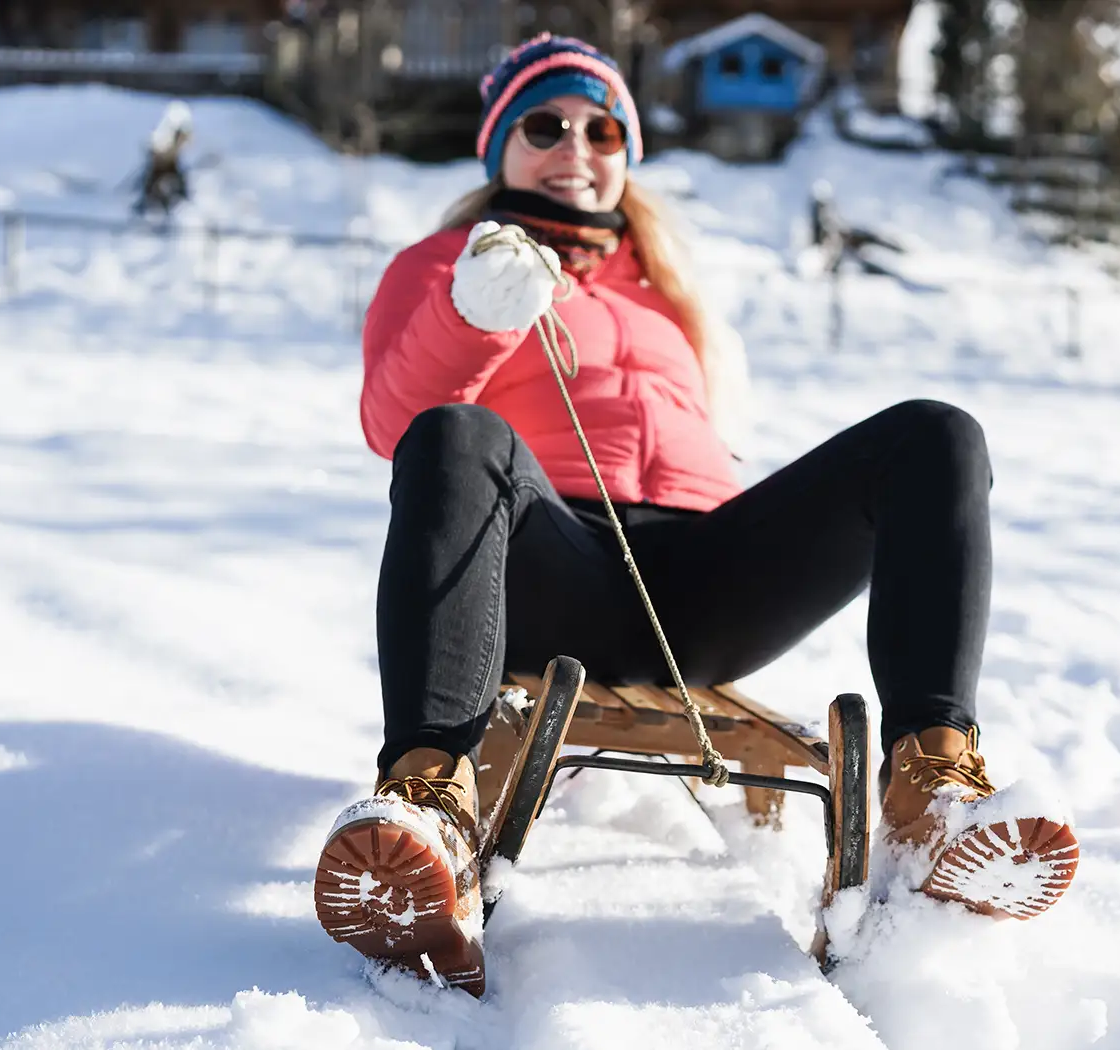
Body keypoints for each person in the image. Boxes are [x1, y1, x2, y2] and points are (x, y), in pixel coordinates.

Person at [313, 33, 1079, 996]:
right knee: (457, 433)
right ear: (498, 143)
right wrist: (476, 312)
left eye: (601, 130)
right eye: (544, 124)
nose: (575, 146)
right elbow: (395, 424)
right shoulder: (438, 263)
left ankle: (931, 790)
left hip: (703, 591)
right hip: (548, 564)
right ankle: (430, 799)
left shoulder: (669, 290)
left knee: (935, 435)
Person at [134, 101, 192, 216]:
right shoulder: (167, 129)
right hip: (162, 160)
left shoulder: (179, 126)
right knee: (152, 184)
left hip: (169, 161)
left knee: (175, 182)